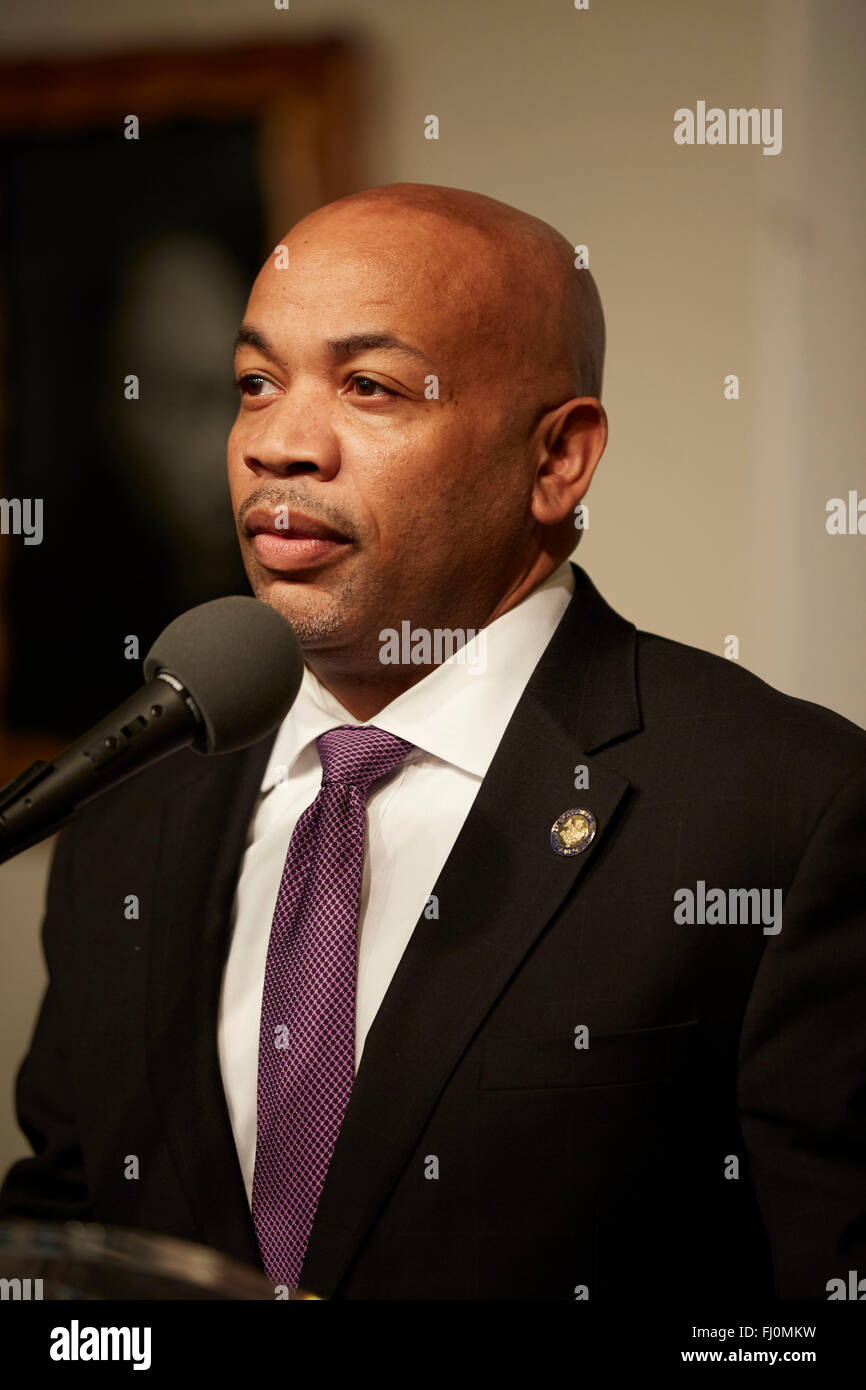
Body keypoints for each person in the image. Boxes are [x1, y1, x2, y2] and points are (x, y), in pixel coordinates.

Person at [2, 184, 864, 1301]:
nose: (278, 443)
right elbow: (68, 1236)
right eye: (255, 383)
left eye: (370, 387)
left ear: (556, 459)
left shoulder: (787, 813)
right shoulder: (129, 807)